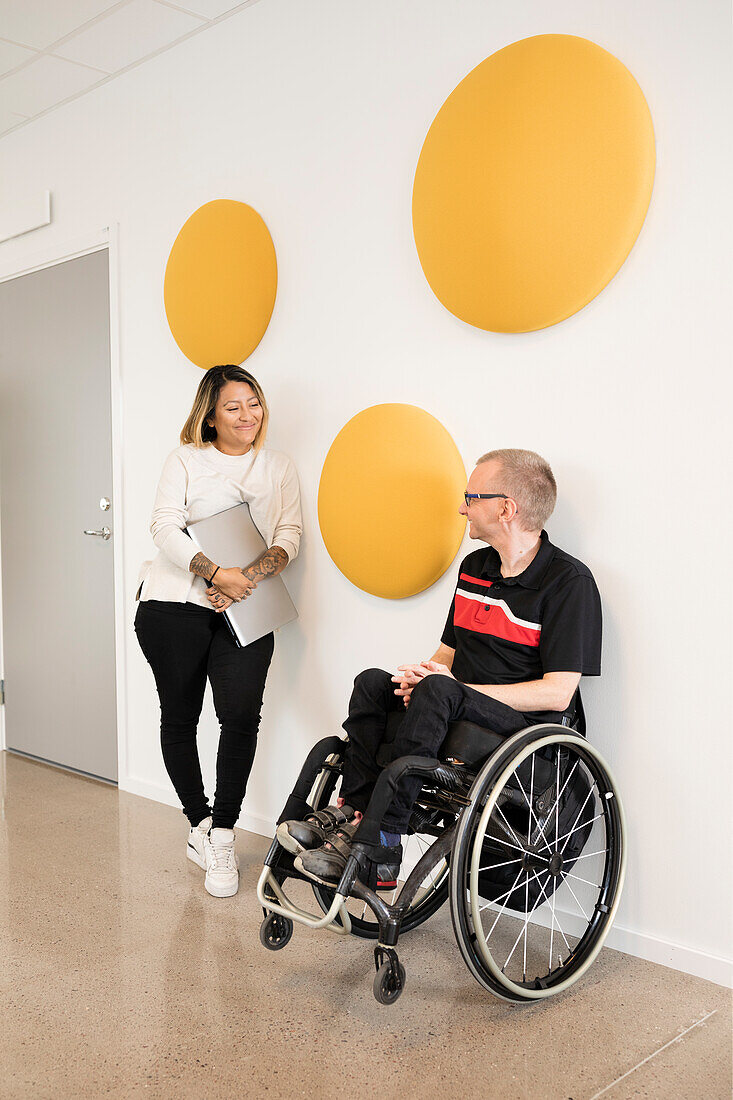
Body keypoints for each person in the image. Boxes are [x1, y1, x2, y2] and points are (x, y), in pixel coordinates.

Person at [280, 448, 600, 890]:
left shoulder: (569, 583)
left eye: (472, 496)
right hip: (456, 701)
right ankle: (351, 813)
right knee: (374, 683)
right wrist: (425, 673)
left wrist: (450, 690)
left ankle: (385, 844)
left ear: (506, 509)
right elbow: (448, 652)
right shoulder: (474, 568)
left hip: (524, 730)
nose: (462, 505)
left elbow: (558, 693)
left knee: (439, 692)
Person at [135, 364, 301, 898]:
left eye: (254, 402)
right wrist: (213, 571)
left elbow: (288, 535)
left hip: (246, 611)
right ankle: (199, 825)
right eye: (233, 406)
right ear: (209, 416)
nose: (248, 415)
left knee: (239, 717)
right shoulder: (185, 459)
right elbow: (163, 524)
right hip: (173, 608)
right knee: (180, 717)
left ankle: (225, 832)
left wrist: (242, 580)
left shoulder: (277, 467)